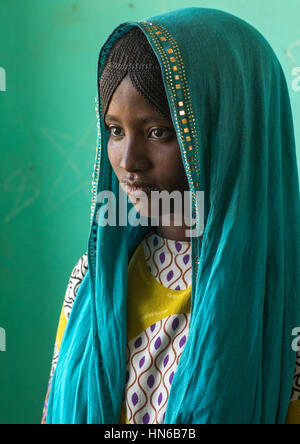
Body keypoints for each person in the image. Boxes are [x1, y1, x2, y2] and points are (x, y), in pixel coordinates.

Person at [42, 7, 300, 424]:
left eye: (159, 131)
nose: (129, 162)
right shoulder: (93, 280)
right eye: (115, 130)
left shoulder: (285, 297)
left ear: (230, 131)